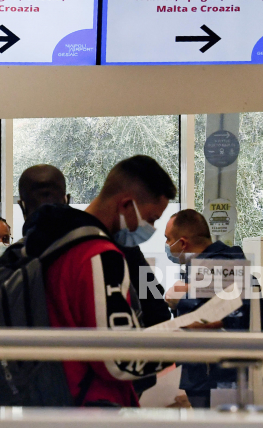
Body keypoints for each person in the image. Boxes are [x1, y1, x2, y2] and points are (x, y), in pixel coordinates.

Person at [22, 155, 176, 407]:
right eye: (151, 219)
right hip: (93, 406)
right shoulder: (100, 255)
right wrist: (184, 342)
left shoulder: (52, 243)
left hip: (55, 401)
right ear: (127, 204)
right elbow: (118, 359)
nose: (151, 229)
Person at [163, 209, 263, 408]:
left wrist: (184, 300)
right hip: (209, 381)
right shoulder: (204, 267)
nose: (166, 246)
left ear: (183, 243)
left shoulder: (223, 266)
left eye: (168, 239)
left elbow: (238, 321)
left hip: (220, 382)